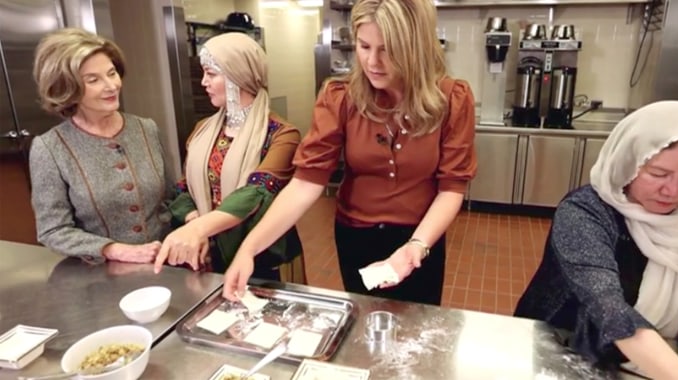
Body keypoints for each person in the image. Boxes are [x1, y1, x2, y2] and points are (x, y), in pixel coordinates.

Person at [222, 0, 477, 305]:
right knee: (362, 327)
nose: (373, 62)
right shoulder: (341, 97)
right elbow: (305, 184)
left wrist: (417, 246)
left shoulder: (451, 99)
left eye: (388, 49)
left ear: (416, 46)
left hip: (422, 236)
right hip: (356, 236)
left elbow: (451, 188)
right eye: (364, 46)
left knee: (418, 330)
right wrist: (249, 248)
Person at [514, 101, 678, 379]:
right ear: (628, 164)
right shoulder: (584, 213)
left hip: (651, 361)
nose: (672, 190)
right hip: (563, 352)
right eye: (658, 174)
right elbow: (609, 309)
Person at [153, 32, 304, 284]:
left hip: (260, 256)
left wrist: (199, 229)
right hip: (206, 254)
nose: (203, 82)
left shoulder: (281, 135)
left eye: (211, 74)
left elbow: (254, 194)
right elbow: (183, 188)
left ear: (238, 76)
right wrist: (195, 222)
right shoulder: (203, 130)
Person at [30, 28, 172, 264]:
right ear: (66, 87)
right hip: (101, 276)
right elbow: (52, 230)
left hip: (166, 267)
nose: (111, 85)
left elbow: (170, 198)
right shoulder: (49, 148)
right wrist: (113, 249)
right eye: (93, 80)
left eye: (112, 73)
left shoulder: (146, 129)